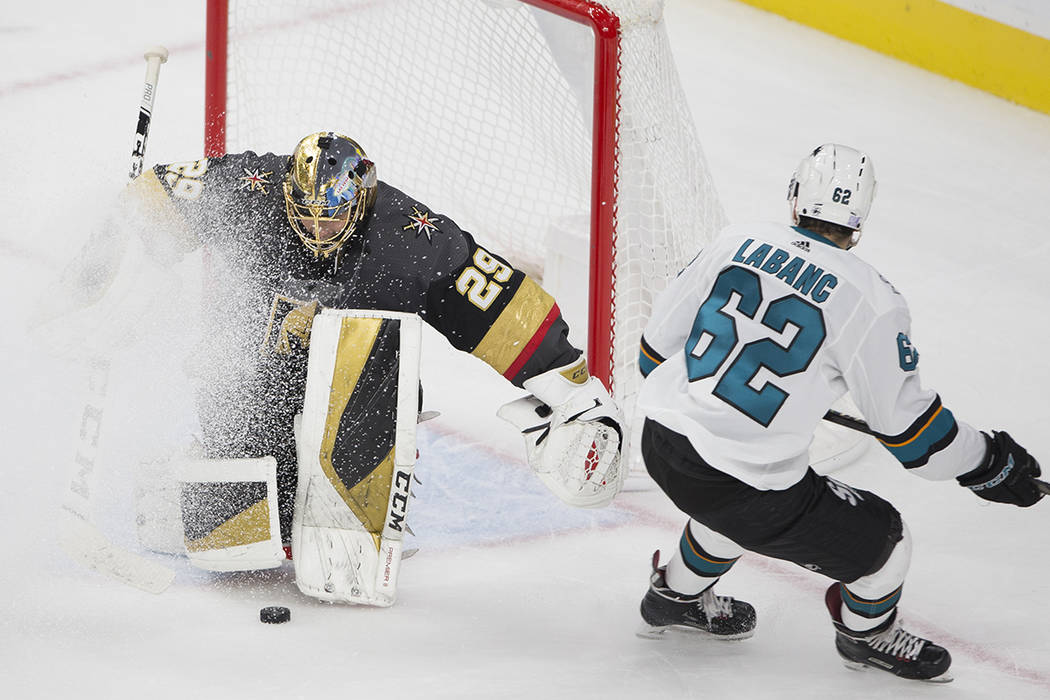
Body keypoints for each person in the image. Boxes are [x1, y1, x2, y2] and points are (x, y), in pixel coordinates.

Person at [47, 131, 624, 552]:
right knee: (236, 536)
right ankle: (223, 480)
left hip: (358, 389)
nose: (319, 230)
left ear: (361, 200)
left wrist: (569, 381)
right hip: (256, 369)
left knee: (340, 526)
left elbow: (496, 300)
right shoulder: (254, 187)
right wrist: (104, 277)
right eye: (307, 214)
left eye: (332, 217)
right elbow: (153, 197)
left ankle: (360, 504)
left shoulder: (407, 235)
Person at [632, 143, 1044, 682]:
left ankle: (674, 597)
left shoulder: (736, 240)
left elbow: (653, 354)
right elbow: (917, 442)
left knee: (732, 504)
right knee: (887, 541)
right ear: (860, 219)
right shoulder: (871, 299)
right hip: (742, 487)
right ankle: (866, 636)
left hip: (662, 445)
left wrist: (736, 395)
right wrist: (990, 461)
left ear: (796, 195)